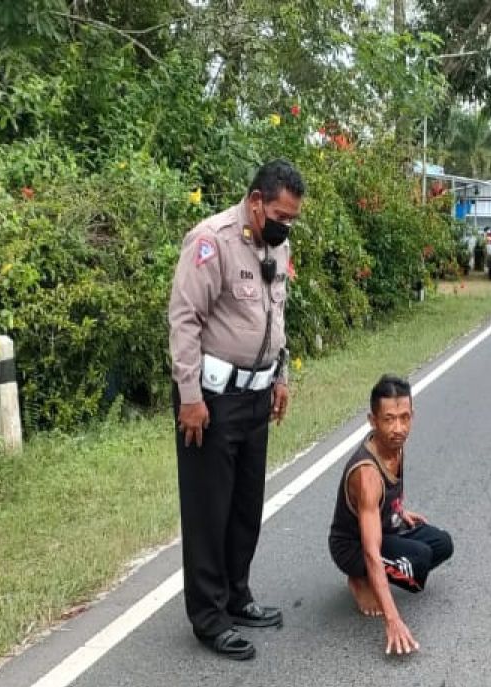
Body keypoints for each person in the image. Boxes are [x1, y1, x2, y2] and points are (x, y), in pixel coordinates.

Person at [168, 159, 306, 660]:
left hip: (257, 394)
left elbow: (276, 315)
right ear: (255, 201)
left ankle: (236, 595)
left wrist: (281, 376)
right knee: (210, 510)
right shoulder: (212, 241)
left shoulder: (278, 244)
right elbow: (184, 321)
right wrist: (189, 398)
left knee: (245, 507)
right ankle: (208, 616)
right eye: (280, 215)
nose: (286, 225)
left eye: (292, 218)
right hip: (211, 401)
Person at [328, 375, 455, 656]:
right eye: (389, 419)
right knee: (419, 561)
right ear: (372, 421)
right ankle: (358, 579)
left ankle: (380, 573)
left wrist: (398, 509)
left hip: (384, 525)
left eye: (404, 417)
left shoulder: (395, 443)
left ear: (412, 416)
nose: (398, 428)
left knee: (443, 544)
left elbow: (386, 497)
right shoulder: (367, 475)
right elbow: (372, 552)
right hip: (353, 547)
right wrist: (393, 619)